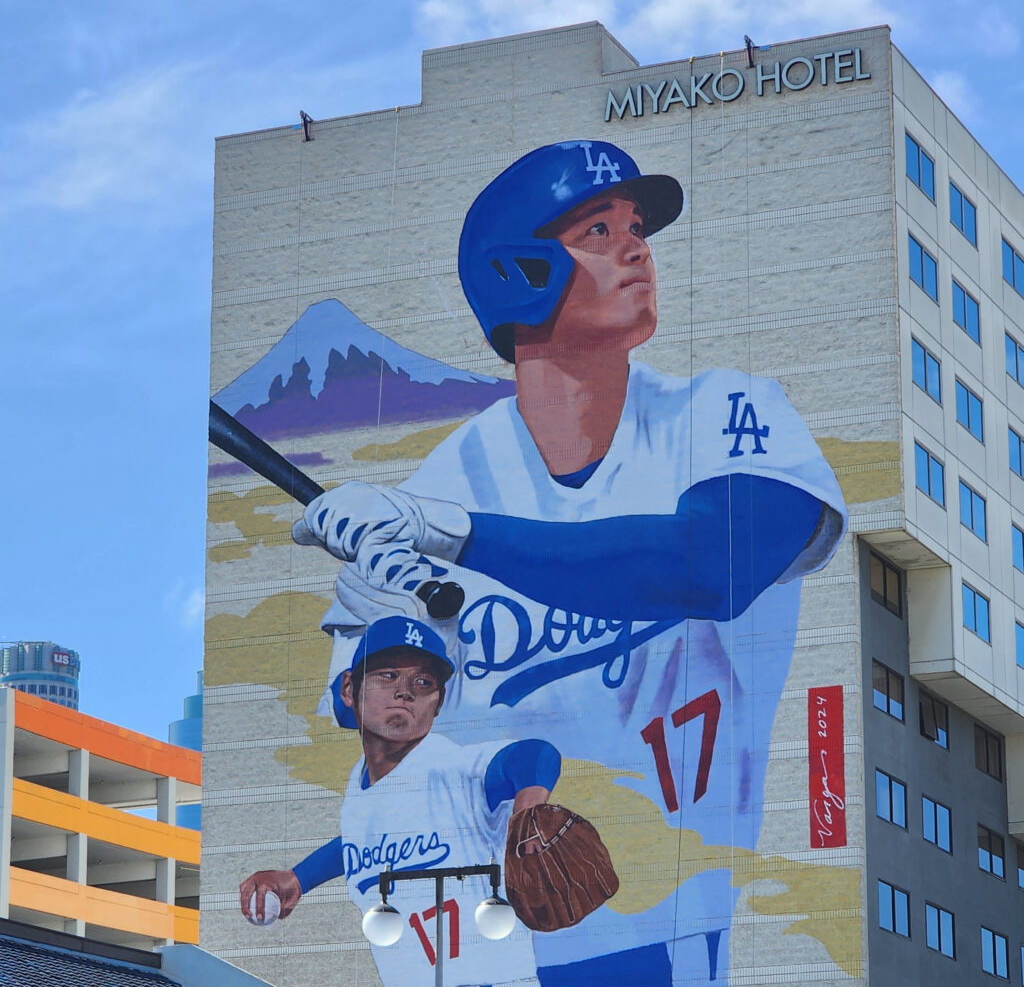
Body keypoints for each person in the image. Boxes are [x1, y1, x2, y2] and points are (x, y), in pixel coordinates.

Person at [295, 141, 849, 986]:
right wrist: (379, 627)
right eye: (598, 229)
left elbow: (716, 566)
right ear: (518, 274)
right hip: (470, 946)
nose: (637, 247)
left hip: (658, 922)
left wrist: (456, 535)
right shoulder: (436, 488)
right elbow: (364, 728)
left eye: (637, 227)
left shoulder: (724, 411)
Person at [240, 615, 560, 987]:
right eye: (387, 675)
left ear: (437, 703)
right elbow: (360, 843)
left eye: (423, 682)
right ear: (349, 689)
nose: (405, 691)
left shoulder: (450, 767)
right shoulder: (360, 785)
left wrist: (530, 810)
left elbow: (535, 755)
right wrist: (300, 877)